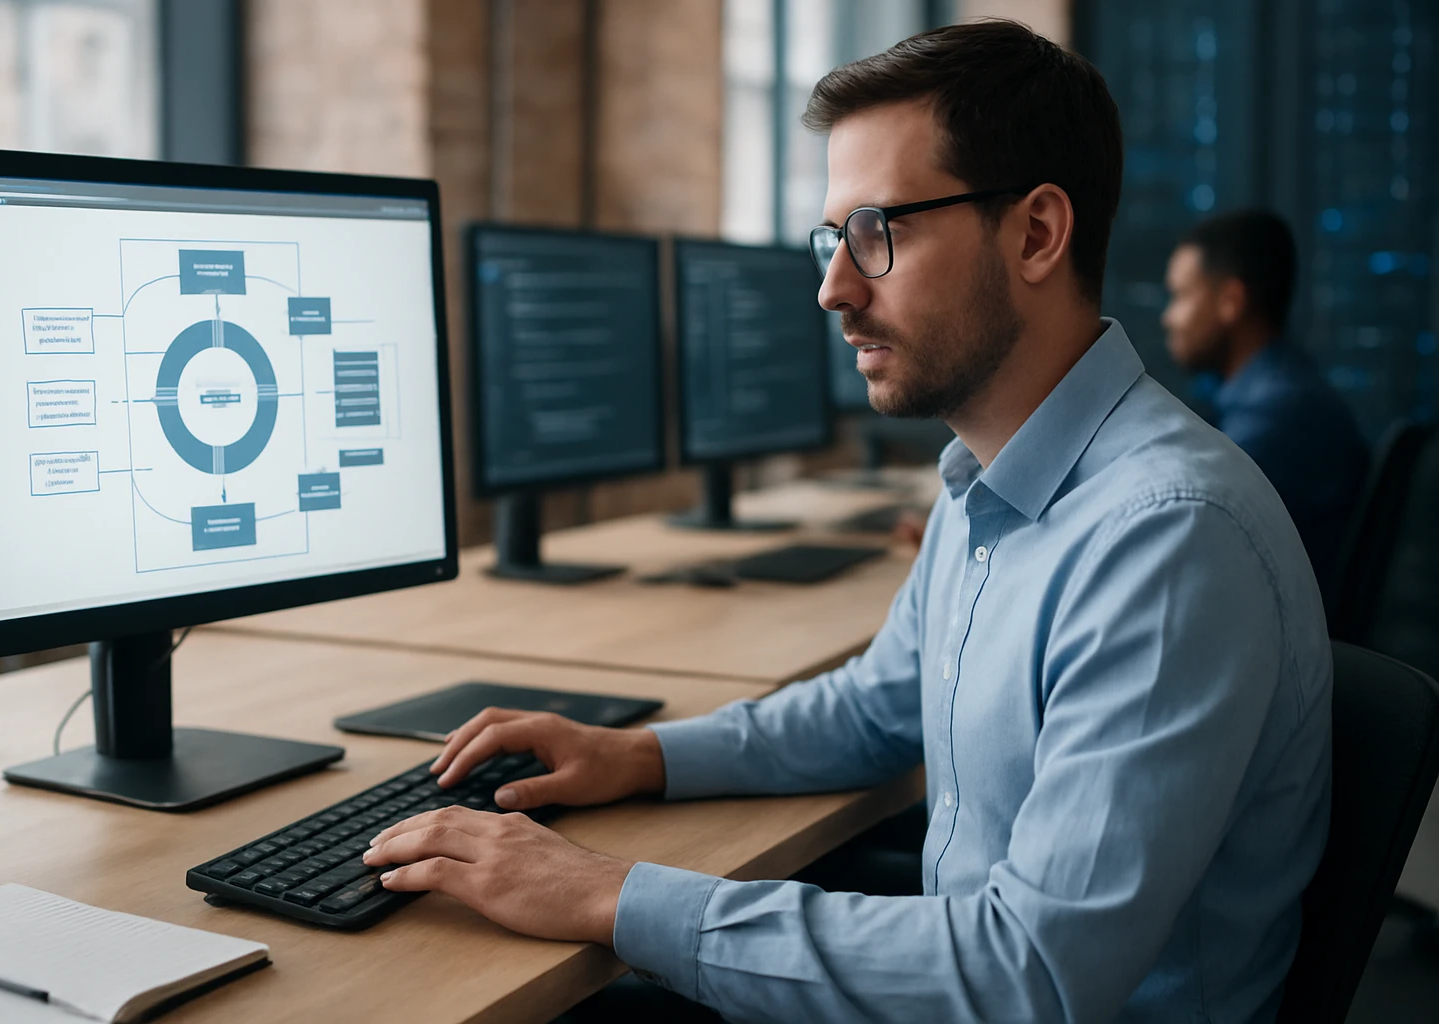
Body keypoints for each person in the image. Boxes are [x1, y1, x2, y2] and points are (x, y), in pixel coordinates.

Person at [362, 21, 1332, 1023]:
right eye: (835, 239)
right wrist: (638, 757)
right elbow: (874, 709)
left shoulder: (1166, 539)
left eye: (879, 232)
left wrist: (607, 892)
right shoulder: (986, 480)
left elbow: (1030, 974)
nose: (833, 288)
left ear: (1038, 233)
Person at [1162, 209, 1370, 595]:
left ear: (1230, 301)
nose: (1169, 317)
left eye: (1181, 296)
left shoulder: (1285, 415)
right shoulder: (1273, 397)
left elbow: (1186, 522)